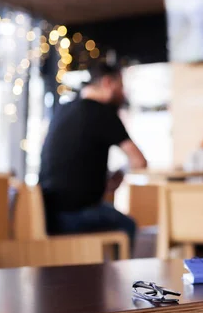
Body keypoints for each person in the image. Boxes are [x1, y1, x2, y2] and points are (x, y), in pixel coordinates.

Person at [39, 63, 147, 248]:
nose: (123, 93)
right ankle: (115, 276)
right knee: (128, 226)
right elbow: (139, 161)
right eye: (120, 86)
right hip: (73, 215)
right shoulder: (103, 112)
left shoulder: (64, 108)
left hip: (45, 213)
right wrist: (120, 172)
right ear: (107, 83)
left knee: (108, 211)